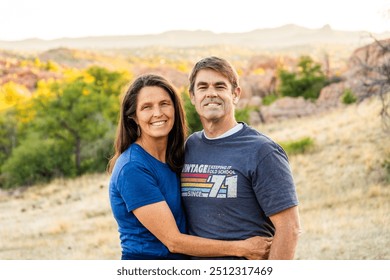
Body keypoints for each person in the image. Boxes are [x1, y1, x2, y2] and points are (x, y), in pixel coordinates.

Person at [108, 73, 272, 260]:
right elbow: (173, 241)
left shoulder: (178, 156)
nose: (158, 113)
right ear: (134, 117)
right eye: (146, 107)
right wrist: (242, 248)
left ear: (175, 109)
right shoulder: (132, 168)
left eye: (164, 104)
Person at [181, 56, 301, 259]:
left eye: (220, 86)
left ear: (235, 94)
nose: (211, 93)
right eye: (203, 87)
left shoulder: (262, 151)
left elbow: (290, 228)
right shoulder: (189, 147)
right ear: (193, 96)